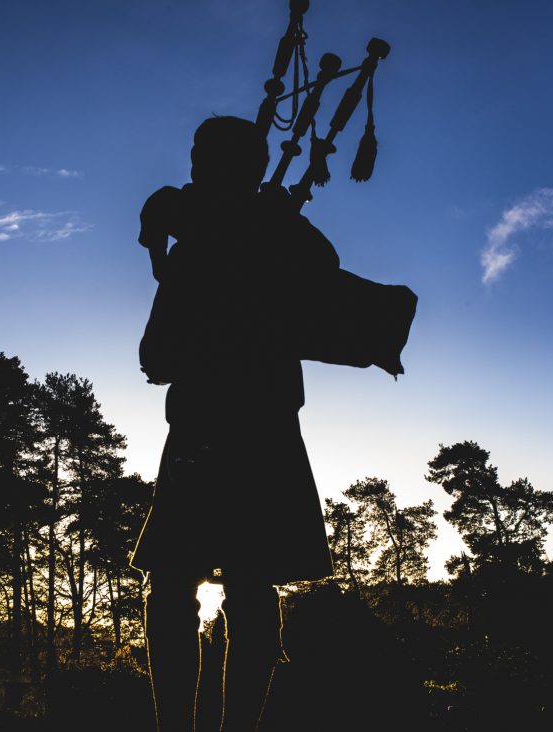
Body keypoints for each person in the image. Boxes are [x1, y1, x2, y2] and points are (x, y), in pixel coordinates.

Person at [132, 115, 346, 732]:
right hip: (246, 436)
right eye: (197, 158)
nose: (198, 168)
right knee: (227, 586)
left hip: (229, 436)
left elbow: (155, 355)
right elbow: (157, 352)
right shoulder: (243, 230)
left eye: (206, 158)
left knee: (195, 586)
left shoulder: (243, 232)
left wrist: (186, 241)